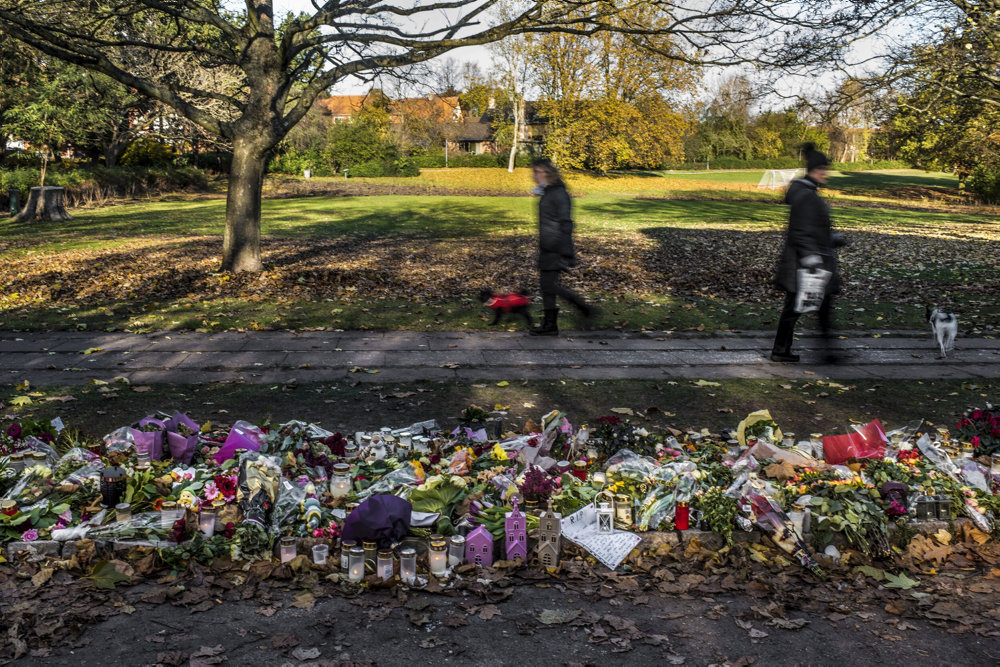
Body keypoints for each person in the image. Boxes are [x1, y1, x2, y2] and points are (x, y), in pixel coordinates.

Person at [771, 143, 845, 363]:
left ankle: (819, 351)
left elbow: (810, 229)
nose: (826, 173)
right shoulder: (806, 196)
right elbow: (800, 232)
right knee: (796, 308)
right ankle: (784, 351)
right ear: (815, 170)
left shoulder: (806, 193)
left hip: (809, 262)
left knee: (816, 308)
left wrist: (832, 239)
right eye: (823, 169)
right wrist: (812, 258)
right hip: (807, 265)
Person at [529, 157, 594, 336]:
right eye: (534, 172)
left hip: (555, 247)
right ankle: (550, 325)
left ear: (548, 173)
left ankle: (582, 307)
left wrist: (566, 252)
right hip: (547, 246)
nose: (534, 176)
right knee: (547, 286)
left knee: (549, 286)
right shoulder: (549, 191)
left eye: (538, 172)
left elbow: (566, 223)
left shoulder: (558, 193)